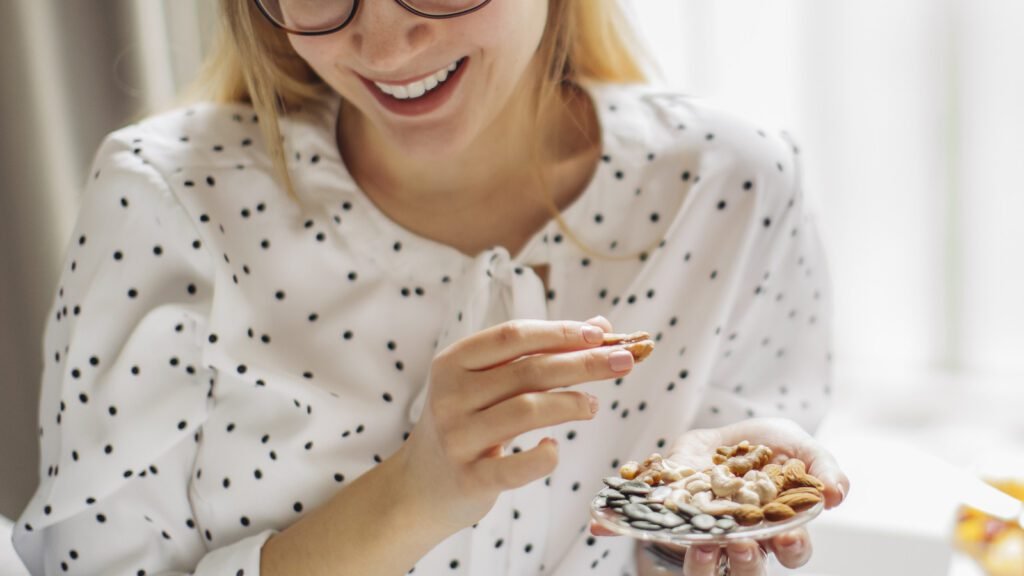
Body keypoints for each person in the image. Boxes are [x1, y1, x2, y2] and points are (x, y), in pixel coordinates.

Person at [12, 0, 850, 574]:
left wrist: (683, 532)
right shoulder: (166, 198)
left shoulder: (734, 185)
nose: (382, 48)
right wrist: (409, 499)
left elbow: (660, 546)